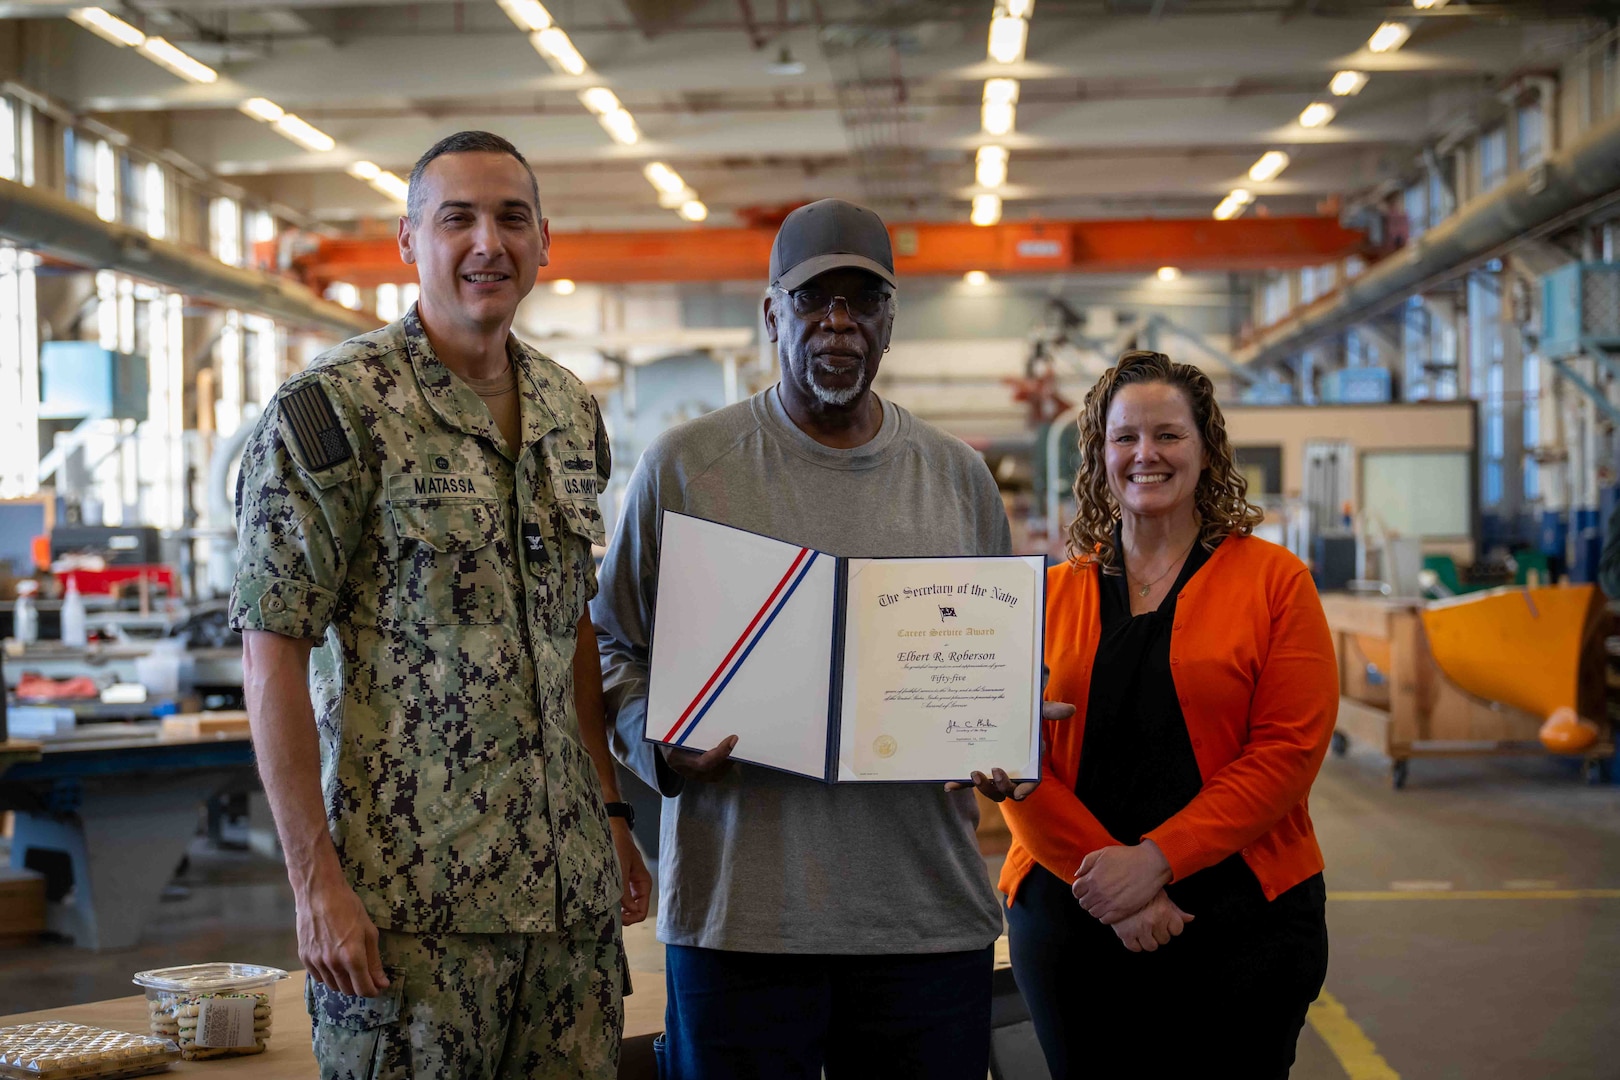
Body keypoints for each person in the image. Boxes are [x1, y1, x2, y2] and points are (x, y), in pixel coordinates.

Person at [592, 198, 1072, 1079]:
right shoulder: (686, 466)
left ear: (892, 321)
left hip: (922, 918)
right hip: (741, 919)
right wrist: (657, 740)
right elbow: (610, 645)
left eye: (863, 301)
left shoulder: (958, 478)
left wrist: (1007, 733)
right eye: (816, 300)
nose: (839, 325)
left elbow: (1002, 654)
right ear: (772, 312)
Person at [231, 130, 650, 1080]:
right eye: (455, 217)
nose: (486, 243)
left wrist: (611, 814)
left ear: (546, 241)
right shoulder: (333, 410)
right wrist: (313, 886)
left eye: (511, 217)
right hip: (408, 919)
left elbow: (568, 624)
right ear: (408, 241)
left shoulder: (568, 409)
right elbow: (272, 658)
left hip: (567, 909)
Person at [999, 350, 1338, 1079]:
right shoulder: (1049, 596)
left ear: (1206, 449)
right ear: (1100, 455)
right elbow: (1011, 758)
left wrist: (1154, 862)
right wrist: (1118, 895)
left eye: (1168, 435)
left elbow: (1288, 753)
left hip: (1244, 924)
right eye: (1125, 437)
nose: (1144, 454)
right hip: (1074, 912)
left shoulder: (1276, 583)